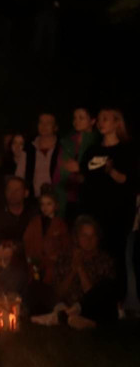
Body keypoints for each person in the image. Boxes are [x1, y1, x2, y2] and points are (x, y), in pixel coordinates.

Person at [70, 108, 138, 296]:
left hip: (117, 212)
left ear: (117, 123)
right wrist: (76, 175)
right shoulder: (93, 150)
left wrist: (112, 172)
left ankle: (118, 300)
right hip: (93, 211)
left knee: (115, 253)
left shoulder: (127, 149)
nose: (100, 122)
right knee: (93, 252)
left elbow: (129, 181)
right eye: (99, 119)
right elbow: (85, 178)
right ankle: (92, 296)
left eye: (105, 119)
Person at [32, 216, 118, 329]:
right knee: (37, 286)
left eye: (93, 236)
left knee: (106, 289)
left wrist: (80, 268)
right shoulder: (65, 258)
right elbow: (58, 293)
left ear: (98, 239)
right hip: (64, 305)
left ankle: (67, 316)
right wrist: (73, 270)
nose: (89, 240)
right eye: (84, 235)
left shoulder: (104, 261)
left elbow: (94, 295)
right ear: (76, 238)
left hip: (89, 309)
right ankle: (64, 313)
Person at [23, 187, 69, 285]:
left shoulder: (60, 224)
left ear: (56, 205)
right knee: (35, 285)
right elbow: (27, 240)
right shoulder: (34, 221)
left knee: (48, 288)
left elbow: (65, 245)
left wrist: (57, 256)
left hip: (52, 267)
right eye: (42, 204)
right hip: (35, 264)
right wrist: (30, 258)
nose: (45, 207)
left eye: (49, 204)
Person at [60, 106, 98, 221]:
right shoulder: (67, 141)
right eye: (75, 118)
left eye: (81, 118)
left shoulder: (97, 142)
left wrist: (80, 172)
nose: (76, 121)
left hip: (89, 196)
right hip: (67, 193)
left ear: (92, 121)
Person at [24, 112, 64, 204]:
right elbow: (20, 174)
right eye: (41, 122)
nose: (44, 126)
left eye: (48, 123)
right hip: (33, 199)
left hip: (57, 199)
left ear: (55, 127)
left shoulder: (63, 148)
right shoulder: (29, 148)